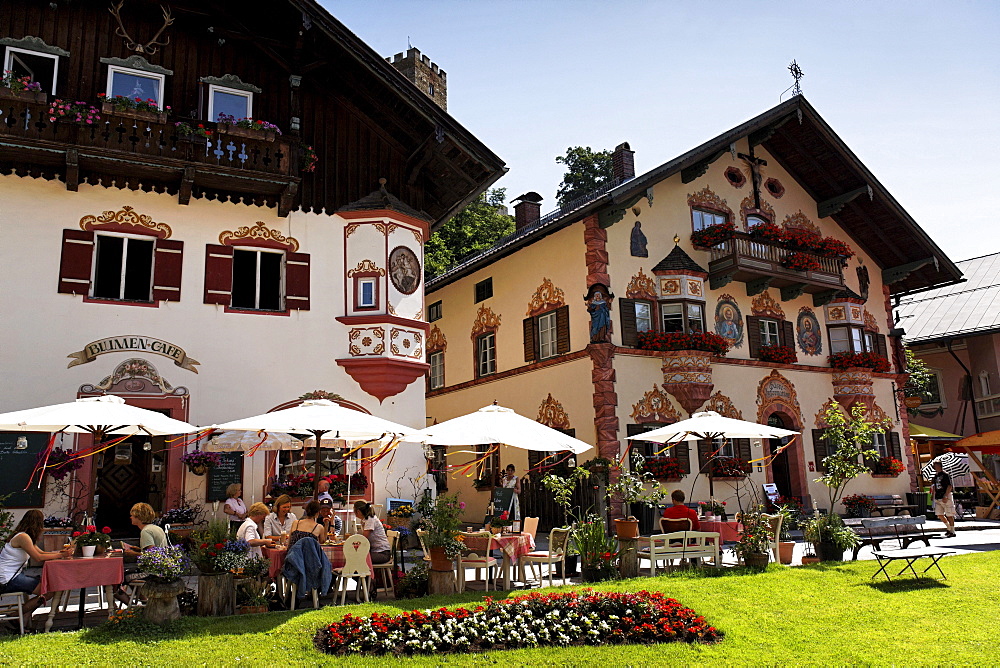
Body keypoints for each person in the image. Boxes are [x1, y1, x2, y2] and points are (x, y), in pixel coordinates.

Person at [0, 509, 72, 617]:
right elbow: (38, 557)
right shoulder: (23, 537)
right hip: (7, 579)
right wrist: (61, 555)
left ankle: (22, 619)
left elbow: (42, 552)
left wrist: (60, 552)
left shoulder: (24, 536)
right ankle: (15, 616)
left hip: (10, 576)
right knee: (47, 590)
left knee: (45, 587)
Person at [118, 502, 169, 605]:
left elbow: (152, 555)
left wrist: (132, 553)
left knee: (118, 578)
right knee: (130, 574)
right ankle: (144, 602)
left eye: (132, 515)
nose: (130, 517)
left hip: (151, 572)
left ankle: (131, 608)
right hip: (161, 569)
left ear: (139, 517)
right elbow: (155, 549)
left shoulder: (145, 531)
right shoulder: (156, 528)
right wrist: (137, 549)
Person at [354, 501, 391, 601]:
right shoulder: (366, 520)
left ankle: (370, 584)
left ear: (358, 511)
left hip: (382, 553)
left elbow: (364, 539)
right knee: (354, 563)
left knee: (356, 562)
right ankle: (368, 585)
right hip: (376, 552)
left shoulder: (370, 520)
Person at [931, 461, 957, 538]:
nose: (934, 467)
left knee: (949, 514)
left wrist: (946, 495)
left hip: (946, 496)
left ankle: (952, 530)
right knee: (939, 514)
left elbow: (949, 486)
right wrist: (933, 495)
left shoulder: (946, 475)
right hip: (938, 497)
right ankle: (948, 527)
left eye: (935, 466)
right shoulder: (935, 476)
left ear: (939, 466)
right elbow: (934, 486)